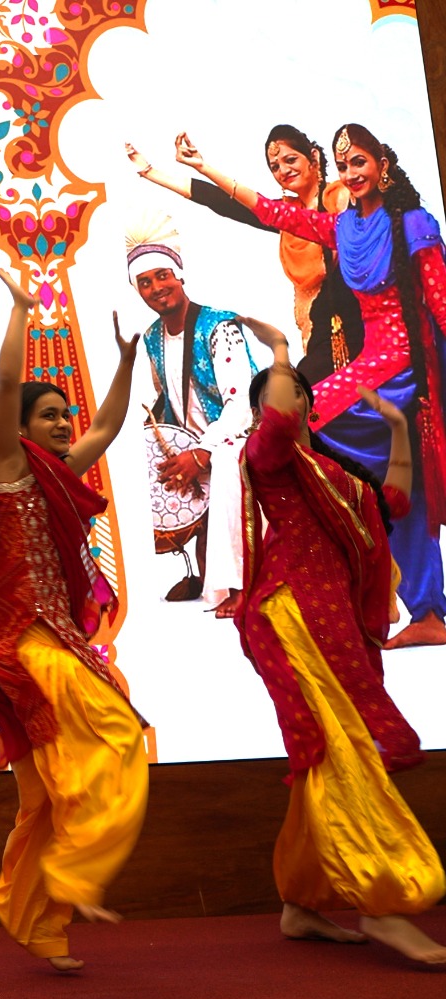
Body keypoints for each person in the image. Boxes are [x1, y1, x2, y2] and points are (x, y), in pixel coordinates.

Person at [176, 125, 446, 648]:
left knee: (312, 424)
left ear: (383, 165)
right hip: (370, 365)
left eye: (361, 162)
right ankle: (415, 606)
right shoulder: (344, 228)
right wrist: (204, 167)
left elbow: (441, 301)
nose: (353, 173)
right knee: (383, 483)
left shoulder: (413, 225)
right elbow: (271, 212)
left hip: (405, 370)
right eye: (346, 167)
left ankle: (377, 585)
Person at [0, 270, 148, 972]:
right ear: (23, 429)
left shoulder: (65, 469)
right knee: (116, 730)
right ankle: (76, 872)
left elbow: (109, 425)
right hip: (19, 642)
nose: (65, 425)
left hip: (56, 638)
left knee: (38, 797)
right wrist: (21, 314)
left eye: (66, 415)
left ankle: (39, 920)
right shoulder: (11, 467)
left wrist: (124, 360)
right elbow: (6, 390)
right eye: (50, 416)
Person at [233, 315, 444, 964]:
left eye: (295, 385)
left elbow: (398, 501)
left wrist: (400, 428)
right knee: (345, 752)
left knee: (325, 757)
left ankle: (303, 901)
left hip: (336, 626)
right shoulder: (268, 457)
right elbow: (273, 426)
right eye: (281, 386)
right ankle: (382, 902)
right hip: (292, 615)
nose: (291, 391)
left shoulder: (330, 473)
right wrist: (276, 350)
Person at [128, 127, 361, 379]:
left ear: (313, 157)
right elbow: (224, 202)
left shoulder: (341, 198)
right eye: (274, 166)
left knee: (296, 399)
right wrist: (152, 172)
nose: (283, 171)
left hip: (356, 325)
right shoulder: (288, 217)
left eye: (290, 160)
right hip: (318, 333)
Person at [125, 213, 257, 615]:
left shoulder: (221, 326)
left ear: (179, 275)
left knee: (230, 466)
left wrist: (202, 452)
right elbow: (165, 396)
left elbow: (242, 401)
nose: (155, 288)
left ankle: (240, 585)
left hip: (240, 438)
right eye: (144, 282)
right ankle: (201, 574)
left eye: (162, 275)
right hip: (192, 447)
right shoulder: (151, 337)